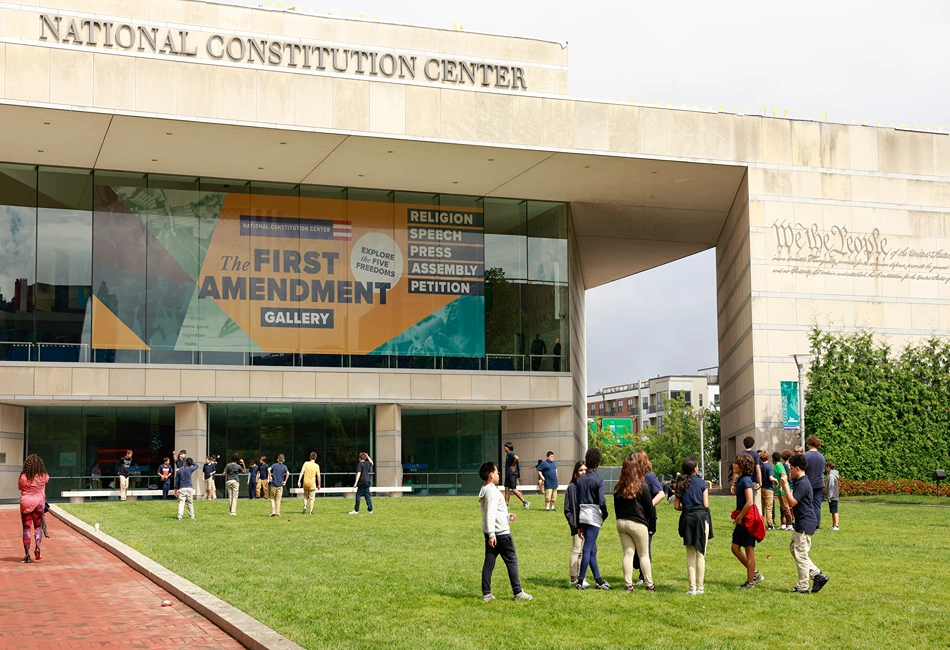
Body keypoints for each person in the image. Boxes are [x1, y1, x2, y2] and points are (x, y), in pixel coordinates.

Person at [477, 461, 532, 602]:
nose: (498, 475)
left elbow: (494, 512)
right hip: (500, 534)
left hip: (493, 534)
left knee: (489, 563)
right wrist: (492, 534)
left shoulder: (485, 490)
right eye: (496, 472)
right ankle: (518, 592)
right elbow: (490, 513)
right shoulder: (492, 491)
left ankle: (487, 594)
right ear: (491, 475)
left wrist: (507, 516)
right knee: (511, 561)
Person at [781, 454, 829, 594]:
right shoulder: (800, 481)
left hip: (805, 522)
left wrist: (784, 484)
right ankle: (817, 574)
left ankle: (803, 587)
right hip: (802, 522)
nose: (790, 471)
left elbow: (792, 502)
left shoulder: (803, 483)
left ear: (797, 468)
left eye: (791, 469)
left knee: (801, 554)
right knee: (794, 549)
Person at [613, 456, 656, 592]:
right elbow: (649, 508)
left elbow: (616, 508)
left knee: (628, 553)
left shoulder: (618, 487)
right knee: (643, 554)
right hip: (638, 524)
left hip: (621, 523)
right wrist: (652, 526)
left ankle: (628, 584)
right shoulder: (642, 486)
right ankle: (649, 584)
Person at [674, 456, 712, 595]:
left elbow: (676, 506)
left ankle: (692, 588)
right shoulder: (702, 483)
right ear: (695, 468)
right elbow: (706, 504)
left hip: (687, 519)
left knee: (690, 555)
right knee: (700, 554)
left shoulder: (680, 483)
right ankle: (700, 587)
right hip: (701, 519)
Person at [575, 448, 610, 590]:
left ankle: (599, 580)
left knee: (592, 550)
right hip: (594, 515)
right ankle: (580, 581)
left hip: (582, 514)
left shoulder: (580, 480)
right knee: (588, 549)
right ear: (597, 462)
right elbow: (601, 500)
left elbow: (577, 502)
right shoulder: (598, 480)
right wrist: (605, 513)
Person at [632, 450, 665, 585]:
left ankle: (644, 577)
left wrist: (648, 505)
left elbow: (661, 494)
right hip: (636, 516)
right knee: (637, 548)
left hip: (646, 517)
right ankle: (641, 572)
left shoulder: (649, 477)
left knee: (644, 548)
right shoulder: (635, 477)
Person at [732, 453, 763, 589]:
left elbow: (750, 501)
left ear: (743, 466)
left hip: (747, 520)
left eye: (737, 463)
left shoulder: (746, 481)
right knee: (735, 548)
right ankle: (755, 573)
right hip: (741, 519)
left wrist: (740, 517)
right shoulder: (741, 479)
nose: (734, 465)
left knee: (749, 550)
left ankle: (750, 582)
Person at [19, 454, 49, 563]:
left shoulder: (23, 477)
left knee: (26, 529)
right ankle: (37, 548)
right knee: (38, 527)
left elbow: (20, 487)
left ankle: (27, 555)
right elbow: (47, 480)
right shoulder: (43, 476)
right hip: (39, 504)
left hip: (25, 503)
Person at [564, 460, 587, 587]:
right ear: (576, 472)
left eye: (585, 470)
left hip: (585, 523)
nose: (583, 472)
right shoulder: (572, 487)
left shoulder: (584, 486)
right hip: (576, 524)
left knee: (582, 552)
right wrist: (574, 523)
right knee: (576, 550)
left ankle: (580, 577)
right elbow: (567, 509)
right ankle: (573, 578)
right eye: (581, 470)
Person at [732, 437, 762, 513]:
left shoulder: (740, 454)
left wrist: (733, 483)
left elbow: (735, 471)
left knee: (742, 502)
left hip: (741, 481)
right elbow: (758, 468)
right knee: (755, 503)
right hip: (753, 481)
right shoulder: (755, 454)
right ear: (752, 444)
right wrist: (760, 482)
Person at [803, 436, 826, 529]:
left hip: (808, 483)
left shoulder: (805, 455)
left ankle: (809, 523)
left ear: (809, 444)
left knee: (807, 504)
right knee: (817, 505)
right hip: (819, 483)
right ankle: (817, 525)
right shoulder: (821, 456)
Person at [502, 442, 529, 509]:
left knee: (513, 489)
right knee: (507, 488)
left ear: (507, 448)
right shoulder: (508, 454)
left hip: (512, 475)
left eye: (505, 447)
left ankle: (525, 502)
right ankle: (506, 505)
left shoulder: (511, 453)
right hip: (508, 474)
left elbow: (516, 458)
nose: (504, 448)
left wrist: (513, 466)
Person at [773, 452, 793, 530]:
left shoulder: (778, 465)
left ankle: (790, 524)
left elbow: (783, 475)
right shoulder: (779, 465)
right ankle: (784, 523)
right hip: (780, 490)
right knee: (783, 507)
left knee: (785, 507)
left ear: (773, 459)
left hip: (782, 490)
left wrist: (781, 487)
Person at [759, 450, 776, 529]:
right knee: (769, 507)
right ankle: (770, 524)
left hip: (760, 488)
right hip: (768, 489)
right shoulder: (769, 466)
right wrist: (775, 480)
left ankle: (760, 522)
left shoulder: (759, 466)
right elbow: (770, 477)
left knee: (761, 507)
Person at [826, 461, 840, 531]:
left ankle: (836, 525)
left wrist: (829, 496)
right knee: (832, 511)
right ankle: (834, 525)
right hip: (835, 495)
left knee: (834, 511)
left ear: (828, 467)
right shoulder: (835, 474)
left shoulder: (831, 475)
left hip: (833, 496)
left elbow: (831, 486)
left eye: (826, 467)